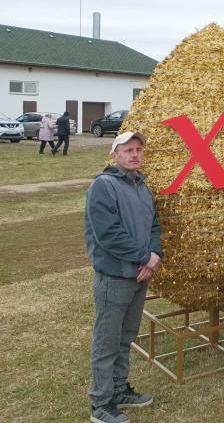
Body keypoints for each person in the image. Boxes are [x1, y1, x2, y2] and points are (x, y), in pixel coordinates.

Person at [85, 131, 162, 423]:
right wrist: (145, 257)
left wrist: (154, 257)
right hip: (115, 277)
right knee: (107, 341)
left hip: (140, 276)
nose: (134, 154)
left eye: (139, 149)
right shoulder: (103, 187)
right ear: (114, 155)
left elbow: (154, 226)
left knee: (125, 337)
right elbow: (109, 235)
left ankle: (119, 390)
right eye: (128, 150)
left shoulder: (142, 186)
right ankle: (101, 404)